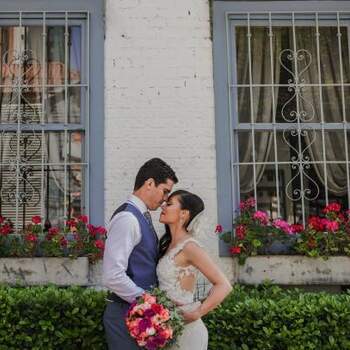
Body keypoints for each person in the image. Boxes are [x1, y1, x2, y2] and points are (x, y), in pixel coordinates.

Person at [103, 158, 178, 350]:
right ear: (150, 183)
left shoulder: (140, 215)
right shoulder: (128, 219)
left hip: (137, 313)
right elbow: (113, 276)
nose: (165, 199)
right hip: (125, 314)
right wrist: (150, 303)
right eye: (165, 191)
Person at [157, 190, 232, 350]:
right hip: (167, 327)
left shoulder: (190, 247)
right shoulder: (168, 245)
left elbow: (224, 285)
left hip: (187, 329)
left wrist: (197, 313)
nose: (163, 205)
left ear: (184, 213)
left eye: (169, 204)